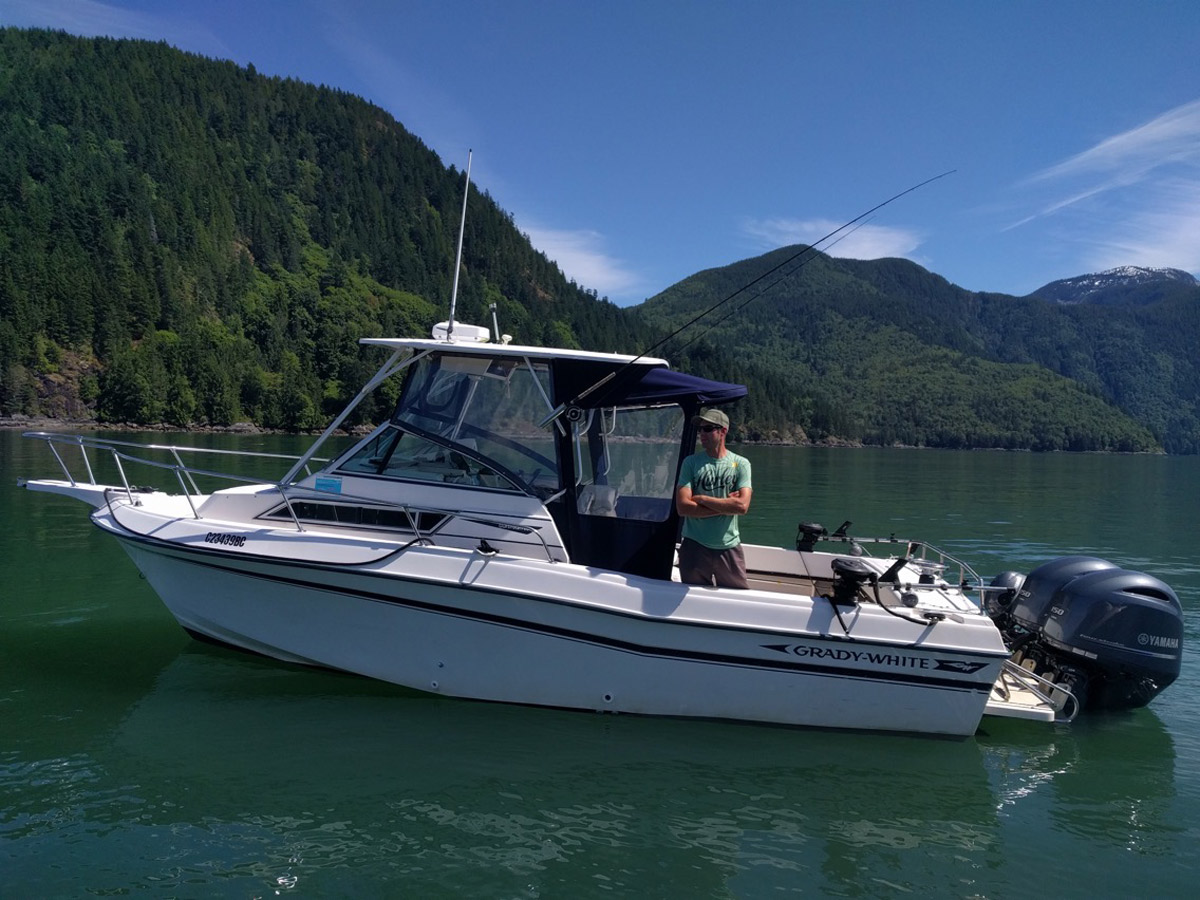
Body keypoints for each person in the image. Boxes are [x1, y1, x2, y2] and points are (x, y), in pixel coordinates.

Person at [674, 408, 753, 588]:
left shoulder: (740, 464)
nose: (702, 433)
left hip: (728, 545)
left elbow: (742, 506)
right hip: (694, 545)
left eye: (708, 429)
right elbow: (683, 507)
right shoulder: (691, 463)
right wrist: (726, 505)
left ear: (723, 431)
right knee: (692, 599)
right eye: (700, 429)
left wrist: (701, 498)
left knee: (738, 600)